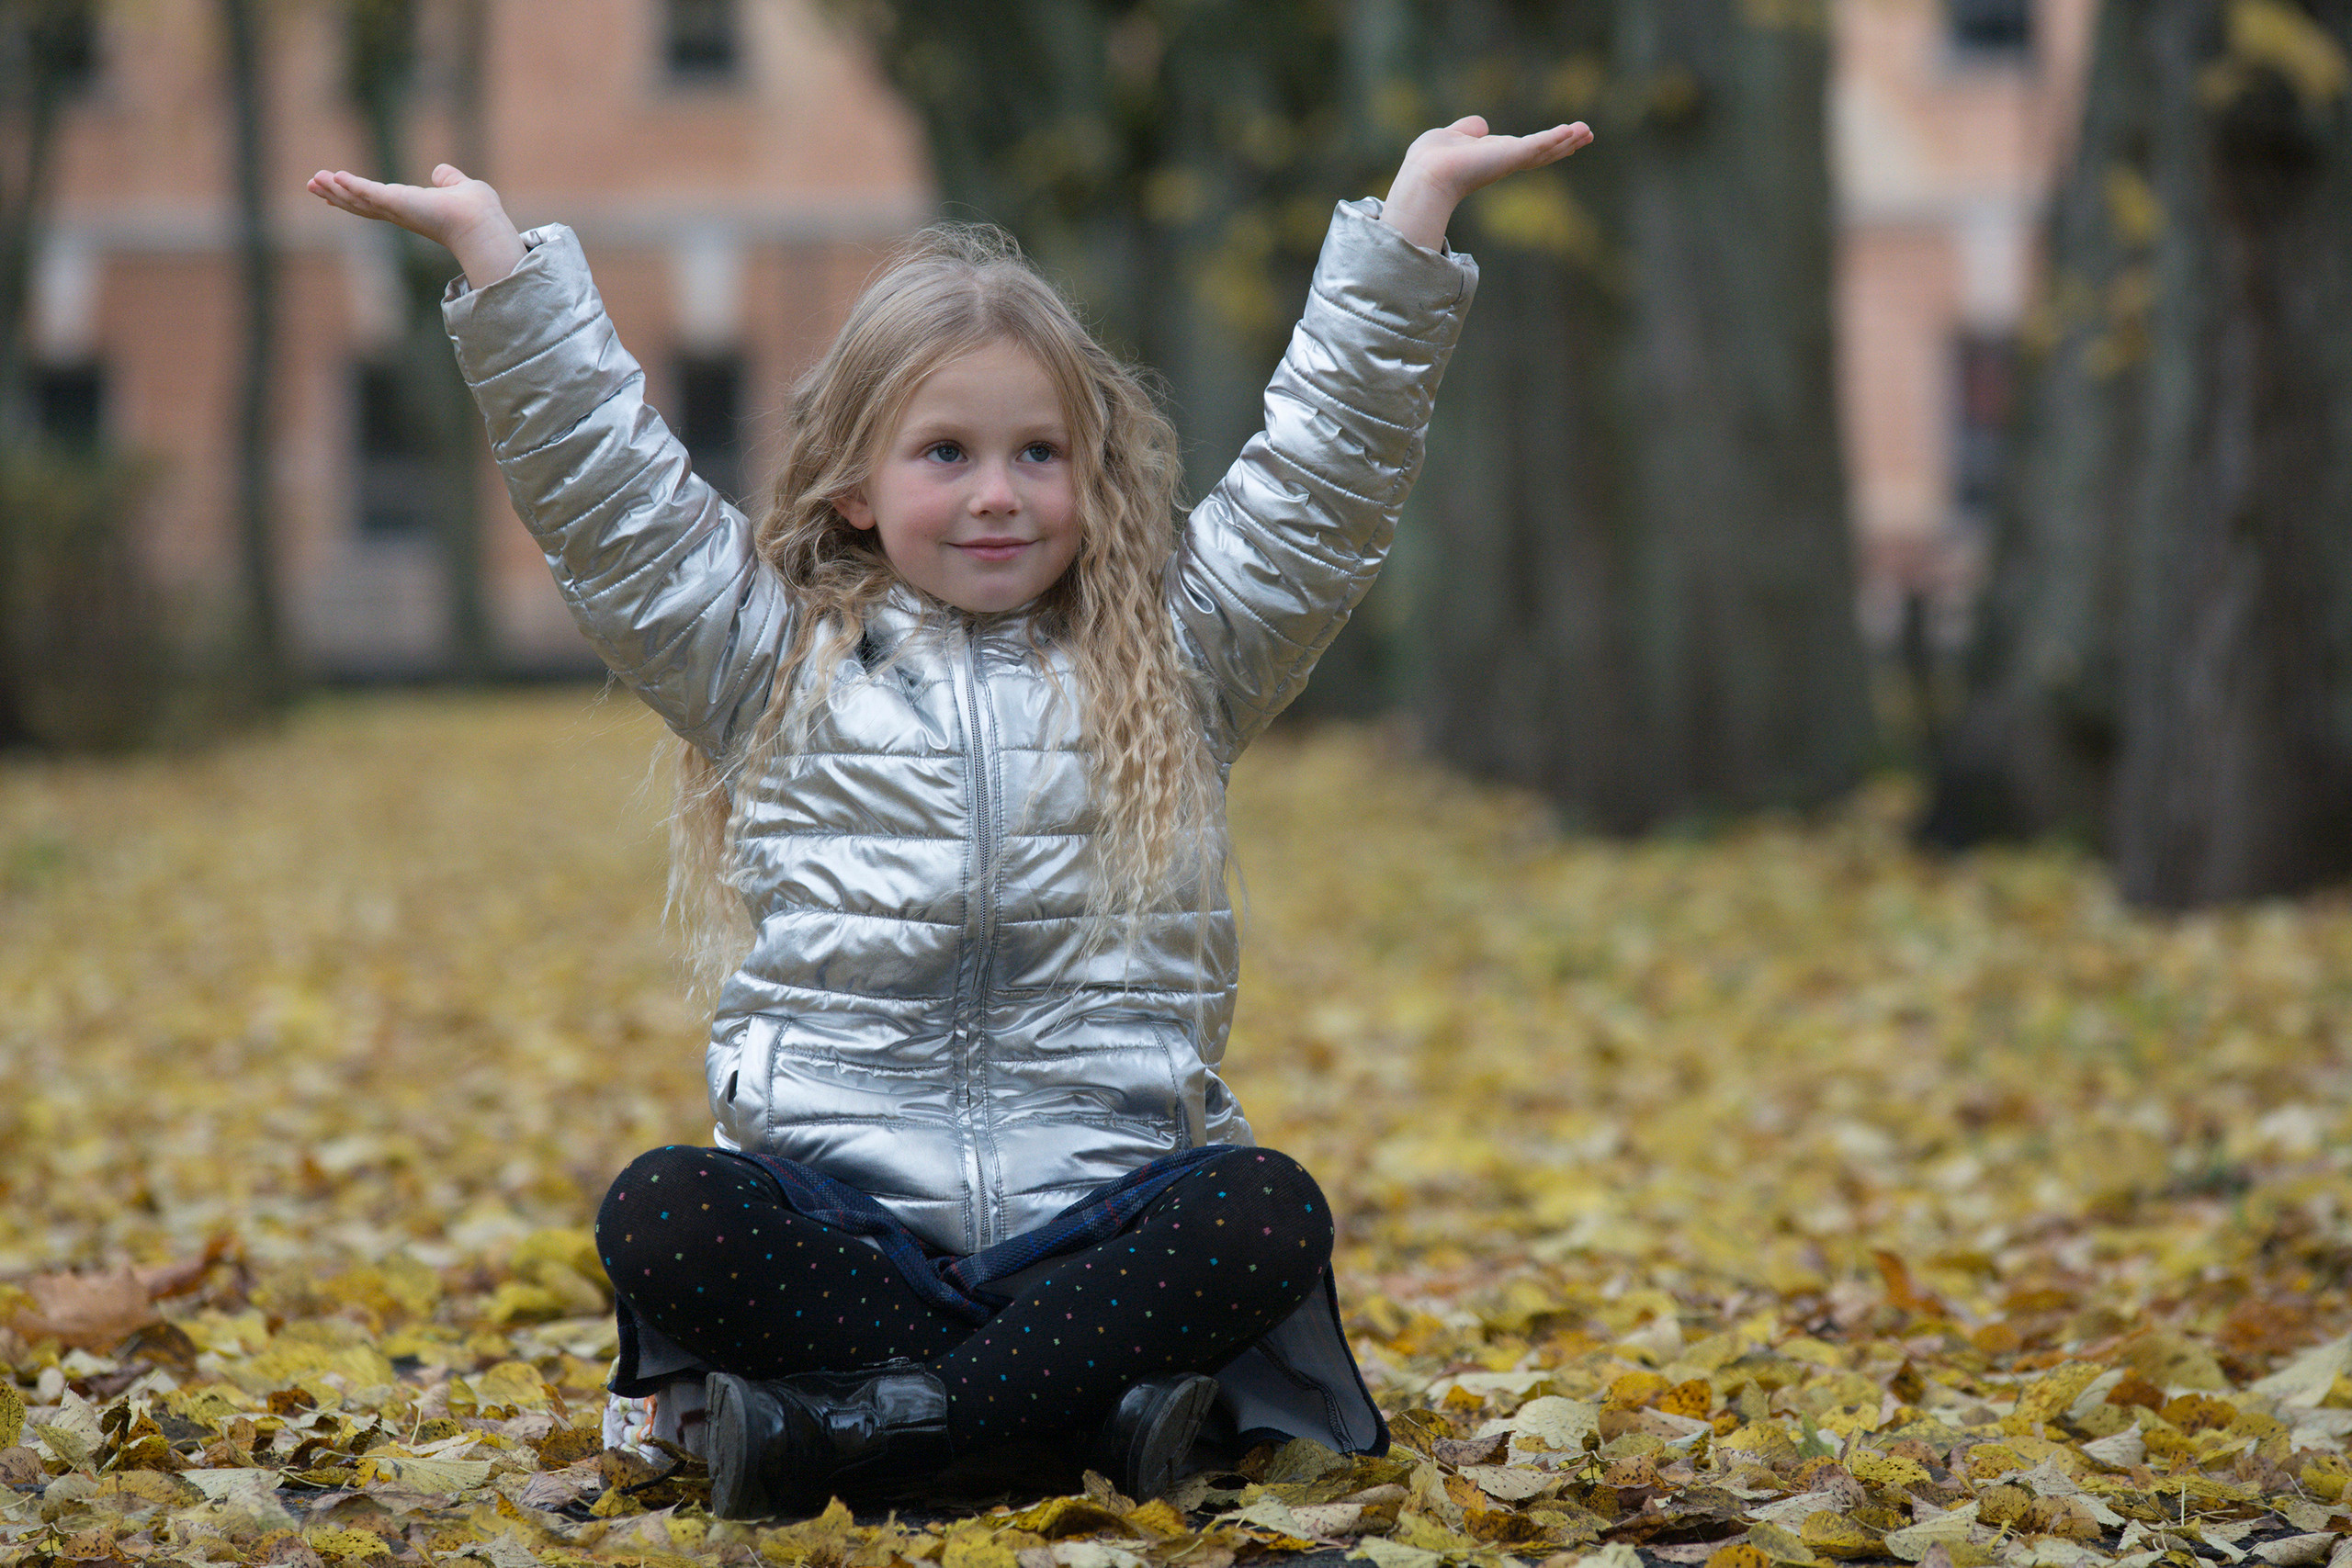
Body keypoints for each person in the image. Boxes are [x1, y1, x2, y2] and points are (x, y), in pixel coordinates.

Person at [307, 108, 1590, 1518]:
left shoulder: (1181, 655)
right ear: (854, 485)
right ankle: (1059, 1420)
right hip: (848, 1238)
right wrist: (502, 264)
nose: (999, 495)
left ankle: (865, 1431)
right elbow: (610, 503)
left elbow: (1319, 489)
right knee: (663, 1212)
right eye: (948, 455)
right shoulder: (760, 660)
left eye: (1041, 455)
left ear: (1094, 479)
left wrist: (1408, 231)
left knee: (1263, 1210)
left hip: (1094, 1229)